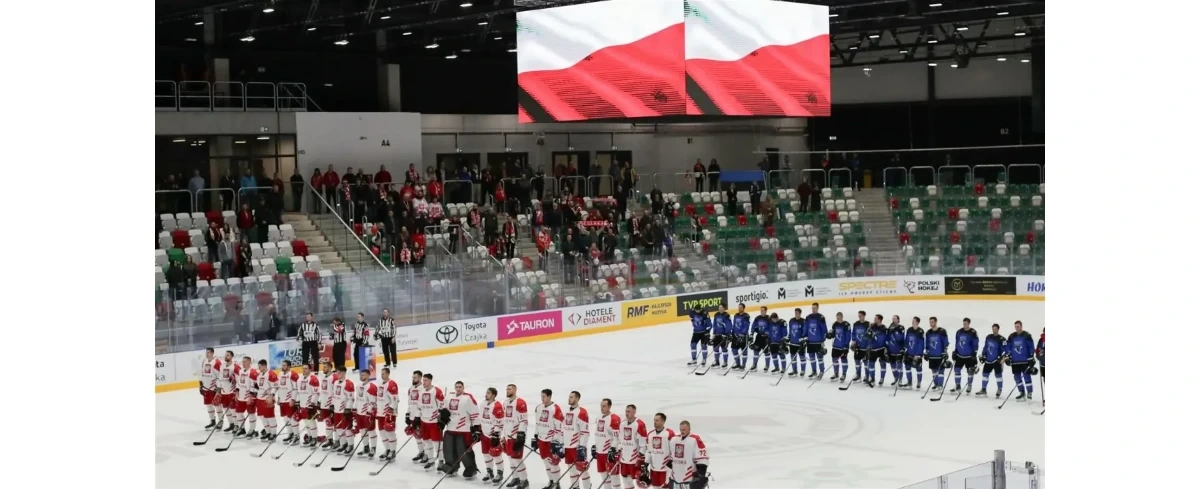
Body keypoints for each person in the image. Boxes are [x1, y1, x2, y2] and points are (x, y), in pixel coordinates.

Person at [556, 391, 591, 489]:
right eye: (569, 397)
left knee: (582, 470)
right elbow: (563, 429)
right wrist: (562, 444)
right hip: (567, 447)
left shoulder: (582, 412)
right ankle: (575, 487)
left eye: (571, 397)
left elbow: (585, 432)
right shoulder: (566, 412)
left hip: (577, 447)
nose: (569, 399)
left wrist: (582, 447)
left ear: (577, 399)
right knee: (571, 469)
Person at [531, 389, 565, 487]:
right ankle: (551, 481)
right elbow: (537, 423)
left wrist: (556, 441)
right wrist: (535, 436)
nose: (542, 398)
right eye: (541, 396)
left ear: (549, 396)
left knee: (553, 463)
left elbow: (558, 427)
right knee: (546, 462)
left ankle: (557, 483)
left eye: (544, 396)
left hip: (551, 440)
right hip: (542, 439)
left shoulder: (555, 408)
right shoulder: (539, 408)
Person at [501, 384, 531, 488]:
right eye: (506, 389)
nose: (507, 390)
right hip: (508, 436)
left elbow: (524, 420)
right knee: (510, 458)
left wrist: (521, 435)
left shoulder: (520, 402)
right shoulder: (505, 403)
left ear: (515, 390)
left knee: (516, 458)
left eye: (509, 389)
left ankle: (524, 480)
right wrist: (503, 435)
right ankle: (516, 477)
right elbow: (505, 420)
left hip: (516, 436)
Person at [416, 373, 447, 471]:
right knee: (426, 441)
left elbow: (442, 406)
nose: (423, 382)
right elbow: (419, 406)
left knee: (437, 443)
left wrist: (441, 419)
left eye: (425, 380)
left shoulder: (436, 391)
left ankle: (441, 460)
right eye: (423, 380)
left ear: (430, 381)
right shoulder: (421, 392)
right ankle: (430, 460)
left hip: (434, 421)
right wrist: (417, 418)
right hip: (424, 421)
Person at [591, 398, 622, 489]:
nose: (602, 407)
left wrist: (613, 449)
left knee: (614, 476)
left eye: (604, 406)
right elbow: (599, 434)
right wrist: (595, 446)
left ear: (609, 406)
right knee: (603, 475)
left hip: (609, 453)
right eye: (601, 405)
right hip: (600, 452)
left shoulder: (614, 418)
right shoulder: (598, 417)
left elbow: (617, 437)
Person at [668, 421, 709, 489]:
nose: (682, 431)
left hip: (689, 479)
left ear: (689, 429)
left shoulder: (694, 439)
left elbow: (702, 458)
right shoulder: (674, 439)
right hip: (675, 478)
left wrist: (701, 474)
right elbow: (671, 457)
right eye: (681, 429)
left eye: (684, 430)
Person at [616, 404, 648, 489]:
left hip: (635, 460)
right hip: (624, 459)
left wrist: (641, 457)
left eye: (629, 411)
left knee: (640, 482)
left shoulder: (639, 424)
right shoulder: (622, 424)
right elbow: (620, 440)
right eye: (626, 411)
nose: (627, 413)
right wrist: (618, 450)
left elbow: (643, 444)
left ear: (634, 412)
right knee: (626, 480)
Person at [480, 387, 508, 484]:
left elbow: (500, 421)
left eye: (488, 393)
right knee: (485, 454)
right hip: (484, 433)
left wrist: (496, 434)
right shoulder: (483, 403)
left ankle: (500, 473)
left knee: (496, 454)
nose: (486, 394)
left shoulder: (497, 406)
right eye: (486, 392)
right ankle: (489, 472)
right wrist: (478, 429)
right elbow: (480, 417)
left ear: (493, 395)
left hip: (493, 435)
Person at [1004, 321, 1036, 401]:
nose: (1017, 328)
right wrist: (1008, 356)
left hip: (1025, 360)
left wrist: (1031, 356)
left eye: (1018, 326)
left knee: (1027, 377)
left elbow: (1031, 347)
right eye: (1016, 326)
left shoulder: (1027, 335)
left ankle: (1029, 392)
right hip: (1015, 361)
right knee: (1017, 377)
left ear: (1021, 326)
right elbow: (1008, 347)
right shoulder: (1012, 336)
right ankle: (1022, 392)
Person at [642, 413, 675, 489]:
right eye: (654, 420)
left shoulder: (669, 433)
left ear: (663, 421)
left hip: (666, 469)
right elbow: (649, 450)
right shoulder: (650, 434)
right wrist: (646, 463)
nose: (655, 422)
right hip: (654, 469)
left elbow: (674, 449)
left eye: (657, 420)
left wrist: (671, 461)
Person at [353, 369, 380, 459]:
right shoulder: (358, 386)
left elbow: (373, 402)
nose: (361, 376)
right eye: (361, 375)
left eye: (363, 375)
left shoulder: (372, 387)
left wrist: (369, 412)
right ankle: (366, 447)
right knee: (362, 431)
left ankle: (373, 448)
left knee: (371, 431)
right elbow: (357, 399)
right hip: (359, 412)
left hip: (367, 414)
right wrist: (355, 409)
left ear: (368, 376)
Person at [375, 368, 401, 461]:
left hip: (388, 413)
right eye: (381, 373)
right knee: (382, 432)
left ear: (388, 374)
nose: (382, 375)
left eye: (384, 374)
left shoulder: (391, 384)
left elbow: (395, 399)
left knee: (389, 432)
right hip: (380, 412)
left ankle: (393, 451)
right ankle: (387, 449)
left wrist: (390, 409)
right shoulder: (381, 384)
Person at [294, 362, 321, 447]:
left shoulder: (313, 379)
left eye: (306, 368)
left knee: (311, 422)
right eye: (303, 368)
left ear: (310, 369)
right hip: (303, 404)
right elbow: (298, 392)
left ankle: (314, 438)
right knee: (306, 422)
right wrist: (297, 402)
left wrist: (312, 403)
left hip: (310, 405)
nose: (304, 370)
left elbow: (316, 393)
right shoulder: (299, 379)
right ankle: (309, 436)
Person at [951, 318, 980, 394]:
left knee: (970, 372)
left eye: (966, 323)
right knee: (956, 370)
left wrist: (974, 353)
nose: (964, 325)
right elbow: (957, 342)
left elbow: (976, 343)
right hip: (960, 355)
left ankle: (969, 385)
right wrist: (955, 351)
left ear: (969, 323)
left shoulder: (973, 332)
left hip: (969, 356)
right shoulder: (959, 332)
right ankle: (958, 385)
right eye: (964, 323)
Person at [977, 324, 1007, 398]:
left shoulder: (1002, 339)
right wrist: (983, 355)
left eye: (996, 329)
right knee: (985, 374)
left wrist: (1002, 357)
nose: (994, 330)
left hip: (997, 360)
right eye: (993, 329)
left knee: (998, 376)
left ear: (998, 329)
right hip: (988, 360)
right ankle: (984, 389)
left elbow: (1005, 349)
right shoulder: (988, 337)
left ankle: (999, 389)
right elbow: (986, 347)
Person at [253, 359, 280, 441]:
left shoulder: (271, 374)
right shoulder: (259, 375)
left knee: (270, 417)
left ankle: (273, 433)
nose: (259, 368)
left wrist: (271, 396)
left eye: (260, 367)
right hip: (259, 399)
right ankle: (268, 432)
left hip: (267, 399)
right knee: (262, 417)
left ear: (264, 365)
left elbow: (275, 386)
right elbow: (258, 386)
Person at [407, 370, 429, 464]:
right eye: (413, 377)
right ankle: (421, 452)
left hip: (420, 417)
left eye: (415, 377)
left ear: (420, 378)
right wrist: (407, 414)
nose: (413, 379)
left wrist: (418, 417)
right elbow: (410, 403)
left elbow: (423, 405)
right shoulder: (411, 388)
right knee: (417, 436)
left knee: (424, 437)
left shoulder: (423, 389)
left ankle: (427, 454)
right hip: (412, 416)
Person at [803, 303, 829, 379]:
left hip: (818, 341)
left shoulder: (821, 317)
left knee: (820, 357)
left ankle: (821, 371)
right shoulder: (808, 317)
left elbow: (824, 329)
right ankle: (814, 371)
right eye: (812, 308)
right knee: (812, 358)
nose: (813, 309)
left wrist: (824, 337)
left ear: (818, 308)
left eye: (814, 308)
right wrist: (804, 336)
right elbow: (806, 327)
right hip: (810, 341)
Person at [333, 367, 355, 454]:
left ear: (344, 373)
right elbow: (334, 395)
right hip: (336, 410)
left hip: (344, 411)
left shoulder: (348, 384)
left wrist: (348, 409)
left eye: (339, 373)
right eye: (337, 373)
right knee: (338, 428)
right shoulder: (335, 383)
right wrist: (332, 405)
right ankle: (343, 444)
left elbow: (351, 398)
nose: (338, 375)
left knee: (347, 428)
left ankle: (350, 445)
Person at [317, 360, 339, 450]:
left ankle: (337, 441)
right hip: (324, 404)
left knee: (335, 424)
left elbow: (336, 393)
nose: (323, 368)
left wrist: (333, 404)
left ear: (330, 367)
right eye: (323, 367)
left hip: (331, 405)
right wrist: (319, 401)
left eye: (325, 367)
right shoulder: (323, 377)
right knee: (327, 423)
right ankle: (329, 440)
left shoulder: (334, 378)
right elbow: (322, 391)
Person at [925, 317, 950, 391]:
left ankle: (940, 385)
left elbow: (945, 342)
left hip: (940, 354)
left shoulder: (942, 331)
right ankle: (935, 384)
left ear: (936, 322)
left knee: (941, 370)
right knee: (933, 370)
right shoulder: (928, 332)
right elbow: (927, 343)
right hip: (932, 354)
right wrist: (927, 352)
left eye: (932, 322)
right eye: (930, 322)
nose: (931, 323)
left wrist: (945, 351)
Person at [275, 360, 298, 443]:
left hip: (289, 400)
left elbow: (296, 388)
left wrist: (293, 399)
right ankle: (290, 434)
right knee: (285, 418)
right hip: (282, 400)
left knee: (292, 418)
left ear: (289, 366)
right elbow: (280, 387)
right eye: (282, 365)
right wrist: (279, 398)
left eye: (284, 365)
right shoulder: (280, 374)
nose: (282, 367)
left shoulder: (293, 374)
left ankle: (296, 436)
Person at [199, 348, 223, 430]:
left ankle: (220, 421)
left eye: (209, 352)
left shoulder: (217, 362)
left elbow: (220, 376)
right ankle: (212, 421)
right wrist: (201, 385)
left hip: (214, 388)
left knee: (217, 405)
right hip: (206, 387)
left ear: (212, 353)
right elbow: (202, 373)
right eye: (206, 352)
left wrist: (218, 388)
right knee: (209, 405)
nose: (207, 354)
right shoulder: (204, 361)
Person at [216, 350, 237, 431]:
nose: (226, 356)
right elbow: (219, 378)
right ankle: (231, 424)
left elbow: (238, 378)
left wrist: (236, 389)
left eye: (228, 355)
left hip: (231, 391)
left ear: (231, 356)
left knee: (233, 409)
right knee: (226, 408)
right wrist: (218, 390)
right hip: (223, 391)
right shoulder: (222, 366)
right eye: (225, 355)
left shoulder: (235, 366)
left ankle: (236, 425)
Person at [902, 317, 926, 389]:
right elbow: (907, 340)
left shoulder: (920, 331)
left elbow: (921, 344)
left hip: (917, 354)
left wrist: (918, 354)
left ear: (918, 322)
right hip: (909, 352)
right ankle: (909, 382)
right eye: (912, 321)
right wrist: (905, 348)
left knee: (918, 368)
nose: (912, 322)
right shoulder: (909, 330)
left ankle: (919, 383)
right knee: (907, 367)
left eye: (914, 321)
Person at [867, 314, 889, 388]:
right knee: (871, 364)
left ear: (879, 320)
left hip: (881, 349)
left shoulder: (884, 328)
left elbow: (883, 339)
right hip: (873, 349)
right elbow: (867, 336)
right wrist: (869, 332)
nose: (874, 320)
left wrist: (874, 336)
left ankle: (882, 378)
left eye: (875, 318)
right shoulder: (872, 326)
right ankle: (872, 379)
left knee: (882, 364)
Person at [829, 312, 851, 382]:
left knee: (844, 360)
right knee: (834, 359)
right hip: (836, 345)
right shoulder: (835, 324)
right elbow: (832, 333)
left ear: (842, 317)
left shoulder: (846, 325)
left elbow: (848, 336)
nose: (838, 318)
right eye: (837, 317)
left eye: (839, 317)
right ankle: (836, 373)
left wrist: (846, 346)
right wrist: (829, 335)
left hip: (843, 346)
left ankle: (844, 374)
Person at [747, 306, 770, 372]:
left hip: (766, 338)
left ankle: (767, 365)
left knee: (766, 352)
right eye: (761, 310)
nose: (761, 311)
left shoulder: (769, 318)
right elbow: (753, 326)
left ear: (766, 311)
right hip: (759, 337)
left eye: (763, 310)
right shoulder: (757, 318)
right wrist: (751, 334)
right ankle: (754, 365)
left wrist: (769, 334)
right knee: (756, 351)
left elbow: (772, 328)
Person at [886, 315, 907, 386]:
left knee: (899, 366)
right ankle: (896, 378)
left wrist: (895, 331)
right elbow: (887, 337)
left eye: (895, 319)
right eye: (893, 319)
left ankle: (900, 380)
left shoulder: (901, 328)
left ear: (898, 320)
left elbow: (900, 338)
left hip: (899, 349)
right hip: (891, 349)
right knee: (893, 366)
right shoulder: (890, 327)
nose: (893, 320)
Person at [850, 311, 870, 382]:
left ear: (864, 316)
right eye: (859, 315)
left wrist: (868, 345)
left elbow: (869, 336)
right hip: (857, 346)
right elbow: (853, 333)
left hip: (865, 346)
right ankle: (858, 375)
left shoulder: (868, 324)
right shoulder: (856, 324)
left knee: (866, 362)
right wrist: (853, 341)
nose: (859, 317)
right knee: (857, 361)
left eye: (861, 315)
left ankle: (867, 376)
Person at [729, 304, 751, 370]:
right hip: (735, 335)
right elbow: (734, 325)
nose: (739, 308)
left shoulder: (746, 316)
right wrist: (732, 333)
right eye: (738, 307)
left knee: (744, 351)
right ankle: (738, 363)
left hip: (743, 336)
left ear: (744, 308)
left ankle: (743, 365)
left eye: (741, 307)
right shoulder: (736, 315)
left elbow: (746, 326)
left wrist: (742, 334)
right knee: (734, 349)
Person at [786, 309, 807, 377]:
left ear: (800, 313)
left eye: (797, 313)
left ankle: (803, 370)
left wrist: (803, 340)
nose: (796, 314)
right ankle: (794, 371)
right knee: (793, 357)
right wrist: (788, 338)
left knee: (802, 357)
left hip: (800, 343)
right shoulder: (791, 320)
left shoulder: (803, 321)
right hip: (792, 342)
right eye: (795, 313)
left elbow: (805, 332)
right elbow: (790, 331)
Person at [710, 304, 731, 369]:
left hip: (724, 335)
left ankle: (725, 362)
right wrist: (714, 332)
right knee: (715, 348)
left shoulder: (727, 315)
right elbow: (714, 324)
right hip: (717, 334)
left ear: (724, 308)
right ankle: (717, 362)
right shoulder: (716, 314)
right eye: (719, 307)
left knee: (724, 348)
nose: (720, 308)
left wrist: (726, 333)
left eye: (721, 307)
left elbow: (729, 325)